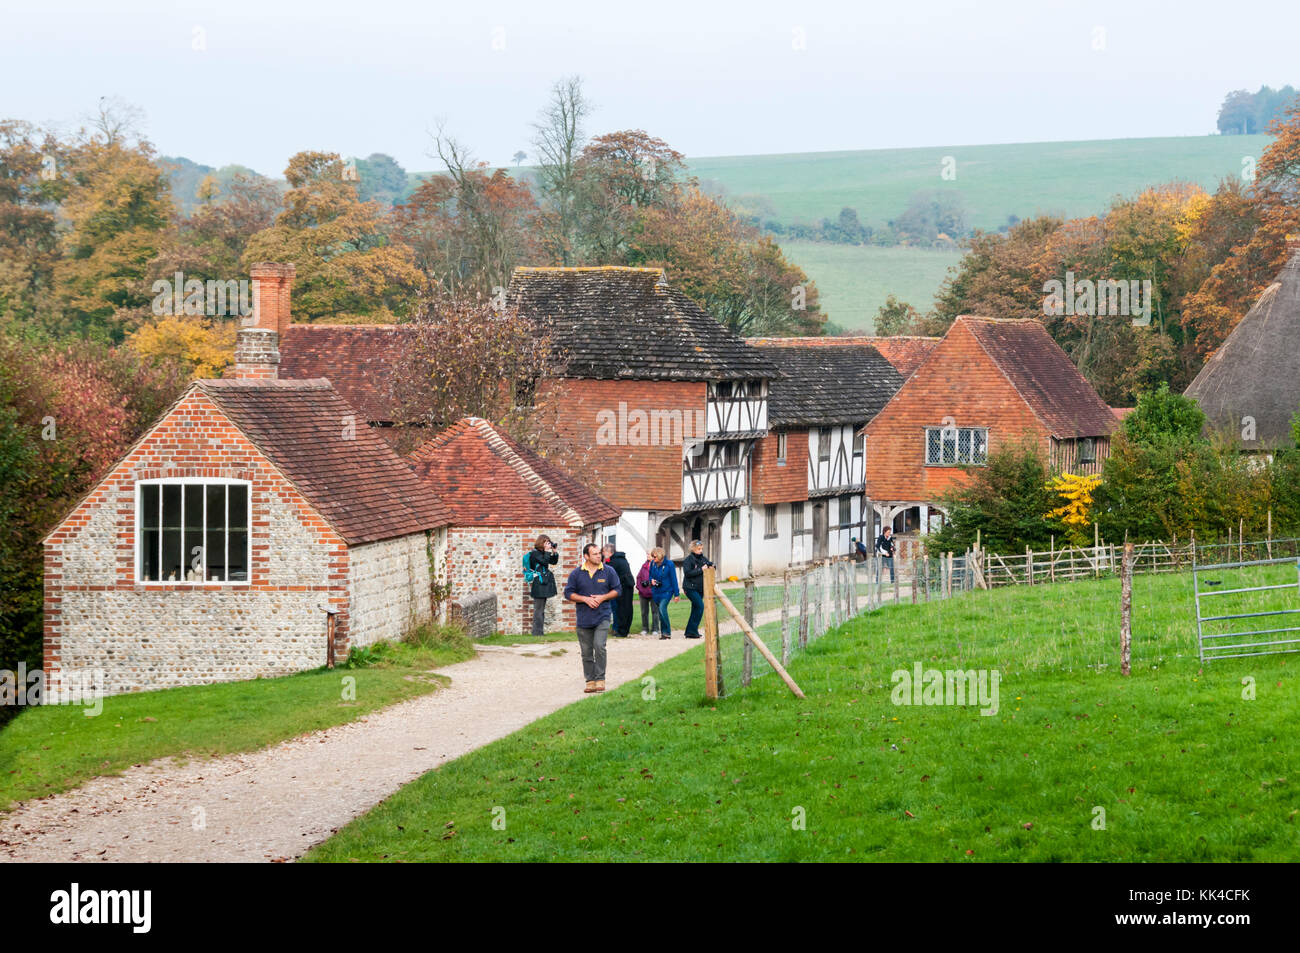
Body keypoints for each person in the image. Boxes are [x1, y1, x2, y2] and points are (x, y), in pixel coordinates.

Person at [563, 542, 623, 693]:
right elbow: (568, 593)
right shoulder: (576, 573)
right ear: (586, 556)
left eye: (599, 553)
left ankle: (600, 679)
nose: (599, 556)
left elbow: (617, 590)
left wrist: (603, 597)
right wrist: (585, 599)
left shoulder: (608, 571)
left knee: (599, 646)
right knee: (586, 651)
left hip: (602, 615)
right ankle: (590, 680)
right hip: (583, 618)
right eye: (595, 554)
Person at [525, 535, 559, 637]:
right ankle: (536, 633)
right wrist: (548, 551)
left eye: (549, 542)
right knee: (538, 610)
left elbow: (553, 562)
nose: (548, 544)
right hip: (538, 583)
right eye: (546, 543)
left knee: (541, 609)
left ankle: (540, 632)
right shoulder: (535, 553)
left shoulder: (543, 553)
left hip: (543, 583)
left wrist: (554, 552)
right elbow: (544, 561)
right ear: (541, 543)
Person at [681, 539, 714, 639]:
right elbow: (688, 573)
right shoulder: (688, 560)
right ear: (693, 549)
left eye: (701, 549)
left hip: (700, 588)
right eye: (698, 549)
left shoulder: (703, 558)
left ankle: (691, 631)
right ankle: (691, 630)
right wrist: (701, 569)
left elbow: (708, 564)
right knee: (700, 606)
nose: (700, 551)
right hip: (690, 588)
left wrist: (711, 566)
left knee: (695, 608)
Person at [602, 543, 636, 638]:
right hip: (627, 585)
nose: (603, 554)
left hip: (623, 587)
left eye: (604, 551)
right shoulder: (620, 559)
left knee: (622, 609)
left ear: (609, 552)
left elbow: (608, 575)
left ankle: (622, 631)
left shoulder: (614, 562)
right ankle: (624, 630)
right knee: (627, 608)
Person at [647, 547, 679, 638]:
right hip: (656, 591)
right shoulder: (652, 564)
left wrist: (676, 594)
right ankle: (664, 633)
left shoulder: (669, 564)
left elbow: (674, 579)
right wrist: (651, 580)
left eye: (655, 556)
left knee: (662, 608)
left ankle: (667, 632)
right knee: (661, 612)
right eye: (652, 556)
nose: (653, 558)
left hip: (667, 591)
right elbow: (650, 575)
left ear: (660, 556)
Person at [635, 555, 660, 635]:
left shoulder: (658, 566)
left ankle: (655, 629)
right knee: (644, 612)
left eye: (649, 554)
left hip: (654, 593)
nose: (647, 555)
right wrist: (640, 588)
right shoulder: (643, 566)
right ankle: (645, 628)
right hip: (643, 593)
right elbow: (638, 578)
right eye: (647, 554)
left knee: (655, 611)